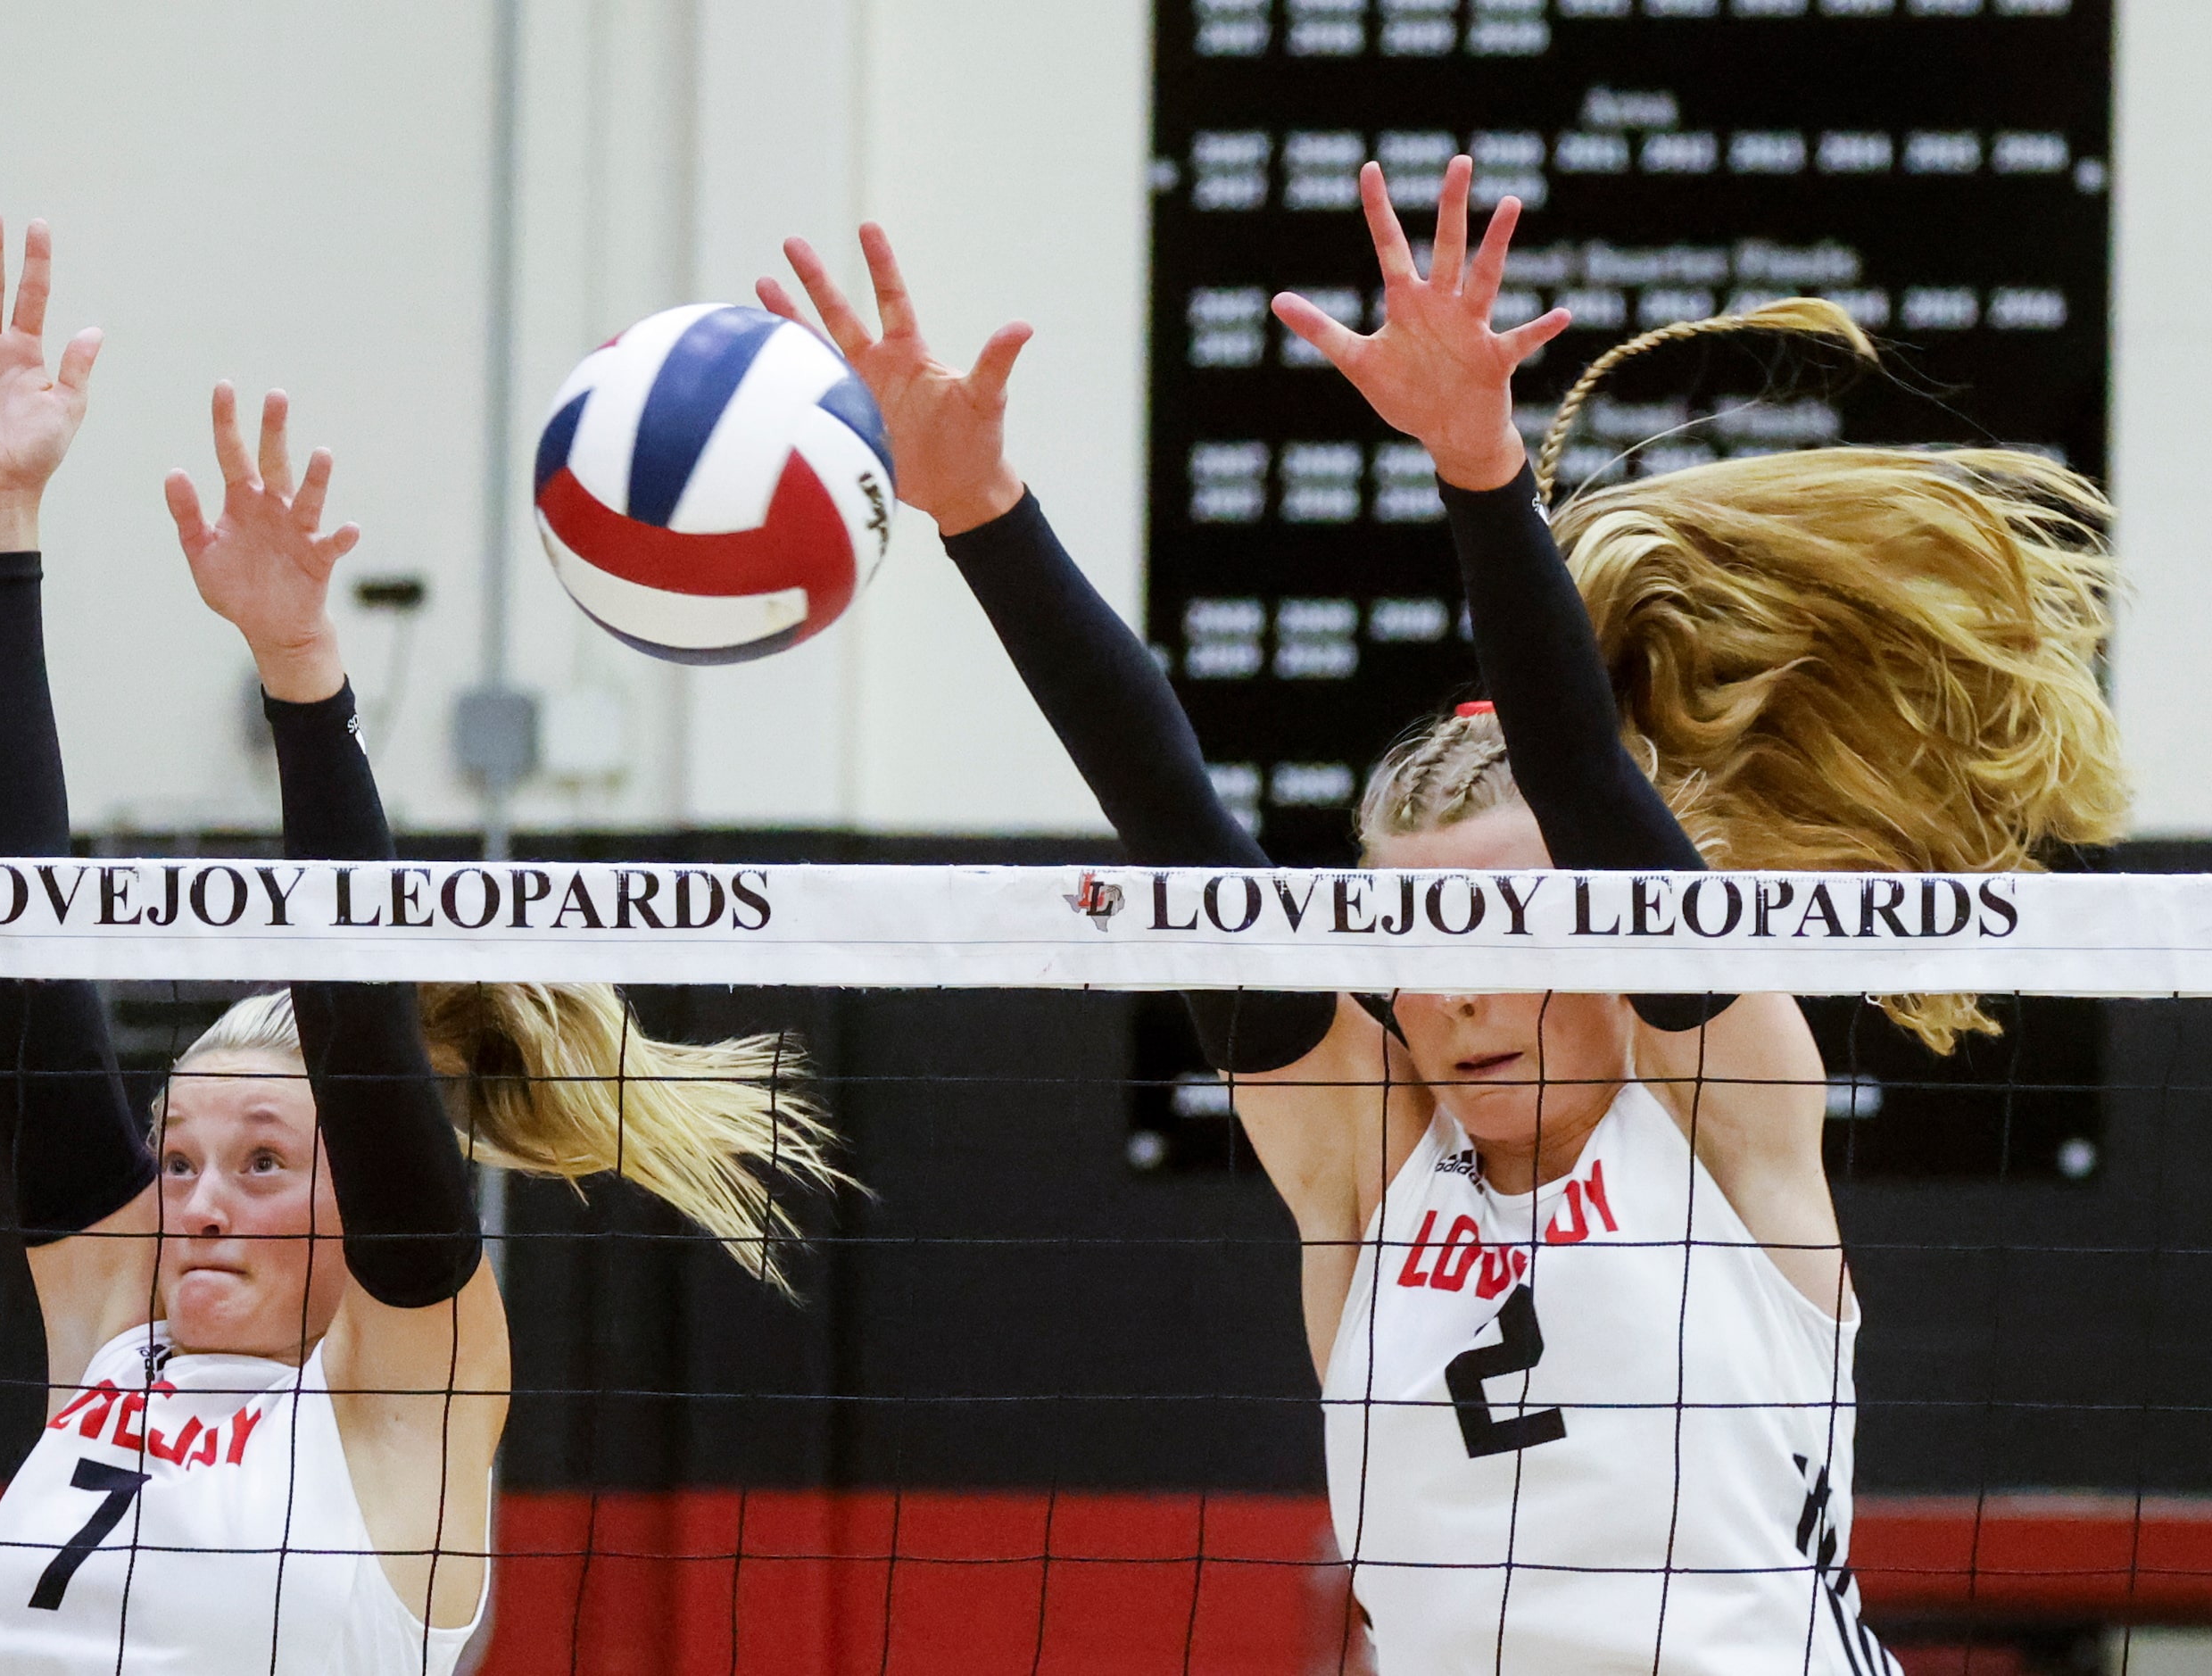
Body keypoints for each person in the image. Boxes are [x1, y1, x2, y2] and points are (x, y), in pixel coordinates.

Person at [756, 155, 2119, 1673]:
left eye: (1508, 945)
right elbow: (1184, 837)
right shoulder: (1368, 1160)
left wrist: (1480, 465)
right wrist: (984, 516)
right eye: (1417, 954)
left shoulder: (1724, 1107)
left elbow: (1587, 779)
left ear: (1606, 938)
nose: (1456, 998)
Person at [0, 212, 846, 1673]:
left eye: (262, 1163)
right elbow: (24, 953)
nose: (193, 1201)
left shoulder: (409, 1396)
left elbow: (361, 1020)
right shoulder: (116, 1335)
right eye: (183, 1157)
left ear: (367, 1197)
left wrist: (300, 675)